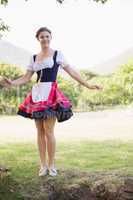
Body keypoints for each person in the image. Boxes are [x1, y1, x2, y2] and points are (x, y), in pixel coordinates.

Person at [4, 27, 102, 177]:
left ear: (51, 38)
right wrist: (10, 83)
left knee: (49, 131)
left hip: (50, 93)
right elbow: (25, 78)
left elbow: (72, 71)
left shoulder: (58, 54)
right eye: (42, 37)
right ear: (38, 39)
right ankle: (42, 165)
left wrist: (88, 85)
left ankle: (51, 165)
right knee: (39, 132)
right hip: (37, 94)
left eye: (47, 36)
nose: (45, 39)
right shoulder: (33, 57)